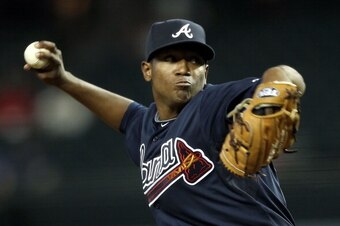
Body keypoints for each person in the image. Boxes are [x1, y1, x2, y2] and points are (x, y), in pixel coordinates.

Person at [24, 19, 305, 226]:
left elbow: (285, 74)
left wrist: (273, 92)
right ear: (147, 70)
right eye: (171, 58)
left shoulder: (215, 104)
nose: (184, 68)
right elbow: (124, 114)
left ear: (205, 72)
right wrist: (63, 80)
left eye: (194, 61)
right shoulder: (144, 127)